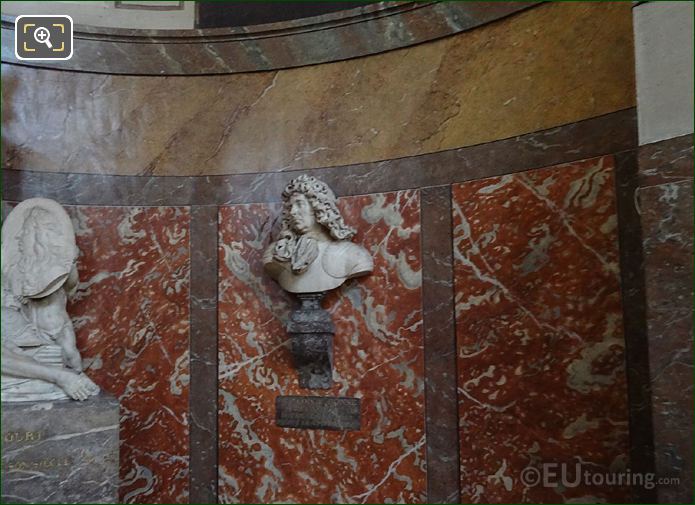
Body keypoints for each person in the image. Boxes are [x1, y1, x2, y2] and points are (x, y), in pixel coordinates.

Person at [1, 199, 99, 402]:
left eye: (25, 232)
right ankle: (60, 376)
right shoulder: (14, 271)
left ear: (38, 237)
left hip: (39, 334)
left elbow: (70, 287)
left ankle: (66, 375)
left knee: (67, 353)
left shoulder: (52, 273)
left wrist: (70, 264)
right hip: (18, 338)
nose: (19, 236)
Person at [263, 175, 373, 293]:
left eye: (300, 204)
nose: (293, 212)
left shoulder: (352, 255)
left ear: (319, 207)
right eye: (290, 207)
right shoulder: (277, 253)